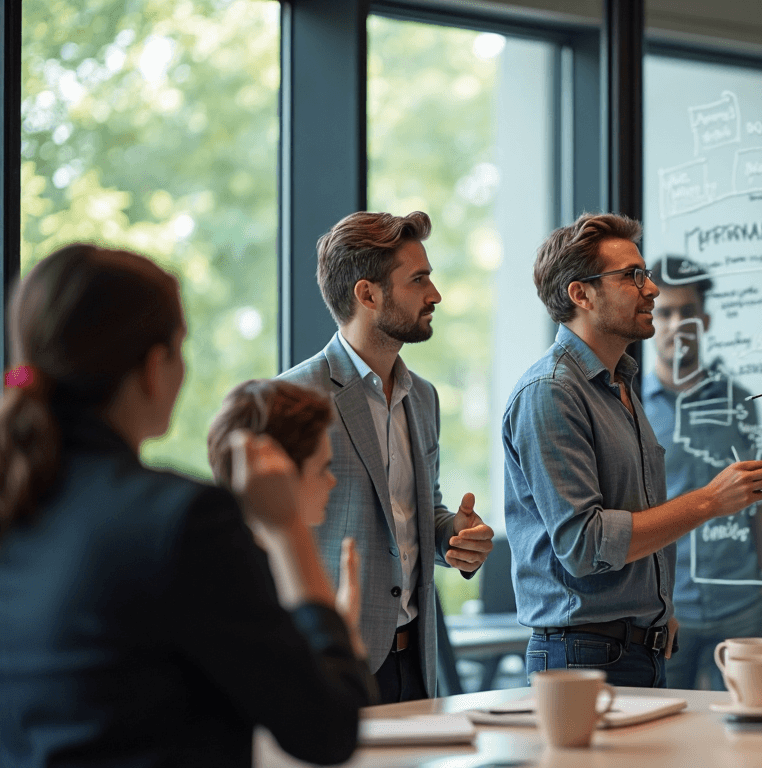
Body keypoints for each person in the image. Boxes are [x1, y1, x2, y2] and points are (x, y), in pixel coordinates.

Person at [0, 245, 371, 767]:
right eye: (181, 348)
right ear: (155, 367)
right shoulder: (180, 520)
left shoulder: (17, 504)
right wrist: (287, 529)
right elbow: (328, 729)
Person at [504, 212, 762, 687]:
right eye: (632, 276)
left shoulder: (619, 385)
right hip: (583, 655)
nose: (650, 289)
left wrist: (655, 607)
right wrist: (710, 500)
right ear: (581, 294)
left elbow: (632, 514)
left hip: (638, 642)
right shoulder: (551, 393)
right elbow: (585, 545)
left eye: (644, 275)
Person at [278, 210, 495, 704]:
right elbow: (270, 537)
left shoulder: (424, 398)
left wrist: (452, 536)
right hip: (332, 665)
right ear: (367, 294)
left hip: (417, 662)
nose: (435, 295)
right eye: (419, 279)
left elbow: (415, 514)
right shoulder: (293, 398)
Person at [643, 256, 762, 690]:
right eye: (664, 312)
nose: (676, 323)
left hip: (742, 602)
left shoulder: (740, 401)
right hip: (666, 606)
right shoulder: (630, 408)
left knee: (751, 729)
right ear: (650, 318)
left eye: (686, 312)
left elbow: (761, 496)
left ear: (705, 319)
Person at [207, 379, 367, 659]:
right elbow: (335, 698)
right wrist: (339, 631)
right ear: (279, 473)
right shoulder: (248, 595)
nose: (331, 481)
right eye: (322, 469)